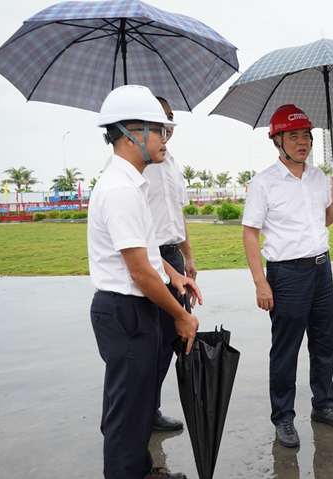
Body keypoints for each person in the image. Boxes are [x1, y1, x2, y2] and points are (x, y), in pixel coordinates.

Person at [89, 84, 201, 479]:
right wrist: (181, 316)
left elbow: (148, 252)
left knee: (136, 407)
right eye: (158, 130)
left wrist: (175, 274)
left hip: (134, 307)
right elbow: (138, 272)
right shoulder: (120, 189)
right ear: (130, 134)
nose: (165, 138)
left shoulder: (133, 183)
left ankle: (140, 469)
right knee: (126, 414)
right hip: (126, 309)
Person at [242, 104, 333, 448]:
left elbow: (325, 220)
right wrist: (260, 282)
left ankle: (324, 405)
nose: (302, 142)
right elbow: (250, 234)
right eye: (293, 136)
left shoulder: (318, 177)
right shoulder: (263, 183)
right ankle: (283, 418)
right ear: (276, 140)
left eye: (306, 135)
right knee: (286, 349)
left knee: (325, 342)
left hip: (322, 269)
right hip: (287, 274)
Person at [142, 96, 196, 432]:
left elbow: (179, 215)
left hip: (173, 256)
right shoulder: (137, 165)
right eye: (159, 118)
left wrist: (188, 257)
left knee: (170, 340)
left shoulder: (172, 162)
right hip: (148, 258)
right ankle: (143, 411)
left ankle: (152, 409)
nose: (167, 124)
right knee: (150, 341)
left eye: (170, 117)